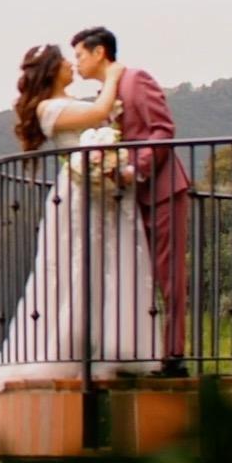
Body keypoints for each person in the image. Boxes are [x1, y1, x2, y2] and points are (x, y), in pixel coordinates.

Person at [0, 43, 161, 381]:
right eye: (64, 60)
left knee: (110, 264)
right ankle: (68, 349)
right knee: (74, 267)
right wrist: (113, 75)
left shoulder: (67, 101)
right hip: (78, 194)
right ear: (52, 70)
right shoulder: (48, 108)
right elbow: (98, 114)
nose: (71, 64)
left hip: (105, 190)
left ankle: (114, 346)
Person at [72, 26, 192, 374]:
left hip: (163, 190)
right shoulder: (105, 94)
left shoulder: (136, 79)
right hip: (128, 200)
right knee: (135, 275)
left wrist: (134, 168)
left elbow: (163, 130)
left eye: (79, 55)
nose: (76, 63)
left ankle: (174, 356)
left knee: (169, 274)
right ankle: (141, 352)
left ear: (99, 52)